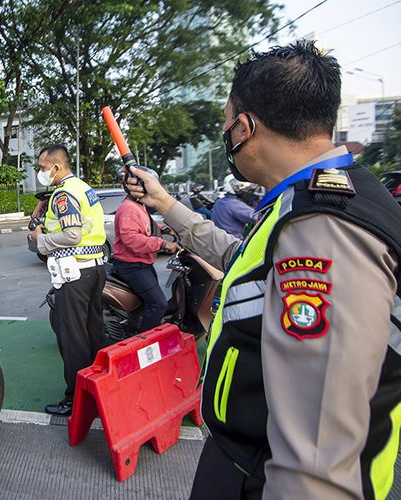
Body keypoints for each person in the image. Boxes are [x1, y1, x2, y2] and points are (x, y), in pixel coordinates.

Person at [124, 40, 401, 500]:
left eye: (226, 124)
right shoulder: (307, 201)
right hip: (245, 460)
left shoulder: (324, 230)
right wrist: (165, 204)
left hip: (264, 476)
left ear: (245, 127)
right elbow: (244, 263)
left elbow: (315, 466)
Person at [27, 144, 106, 416]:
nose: (40, 172)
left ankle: (76, 401)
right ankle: (99, 392)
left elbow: (71, 234)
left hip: (75, 274)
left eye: (42, 167)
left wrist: (41, 240)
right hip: (94, 269)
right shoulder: (83, 188)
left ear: (56, 167)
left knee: (72, 339)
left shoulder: (64, 194)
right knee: (94, 334)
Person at [112, 190, 181, 332]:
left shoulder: (139, 205)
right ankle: (144, 343)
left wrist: (167, 230)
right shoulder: (128, 209)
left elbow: (147, 225)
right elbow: (130, 238)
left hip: (143, 263)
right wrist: (163, 244)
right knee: (159, 304)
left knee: (147, 302)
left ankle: (137, 328)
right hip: (132, 265)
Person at [211, 174, 256, 238]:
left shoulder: (221, 201)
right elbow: (257, 217)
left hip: (221, 239)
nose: (246, 192)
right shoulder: (233, 203)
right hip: (234, 240)